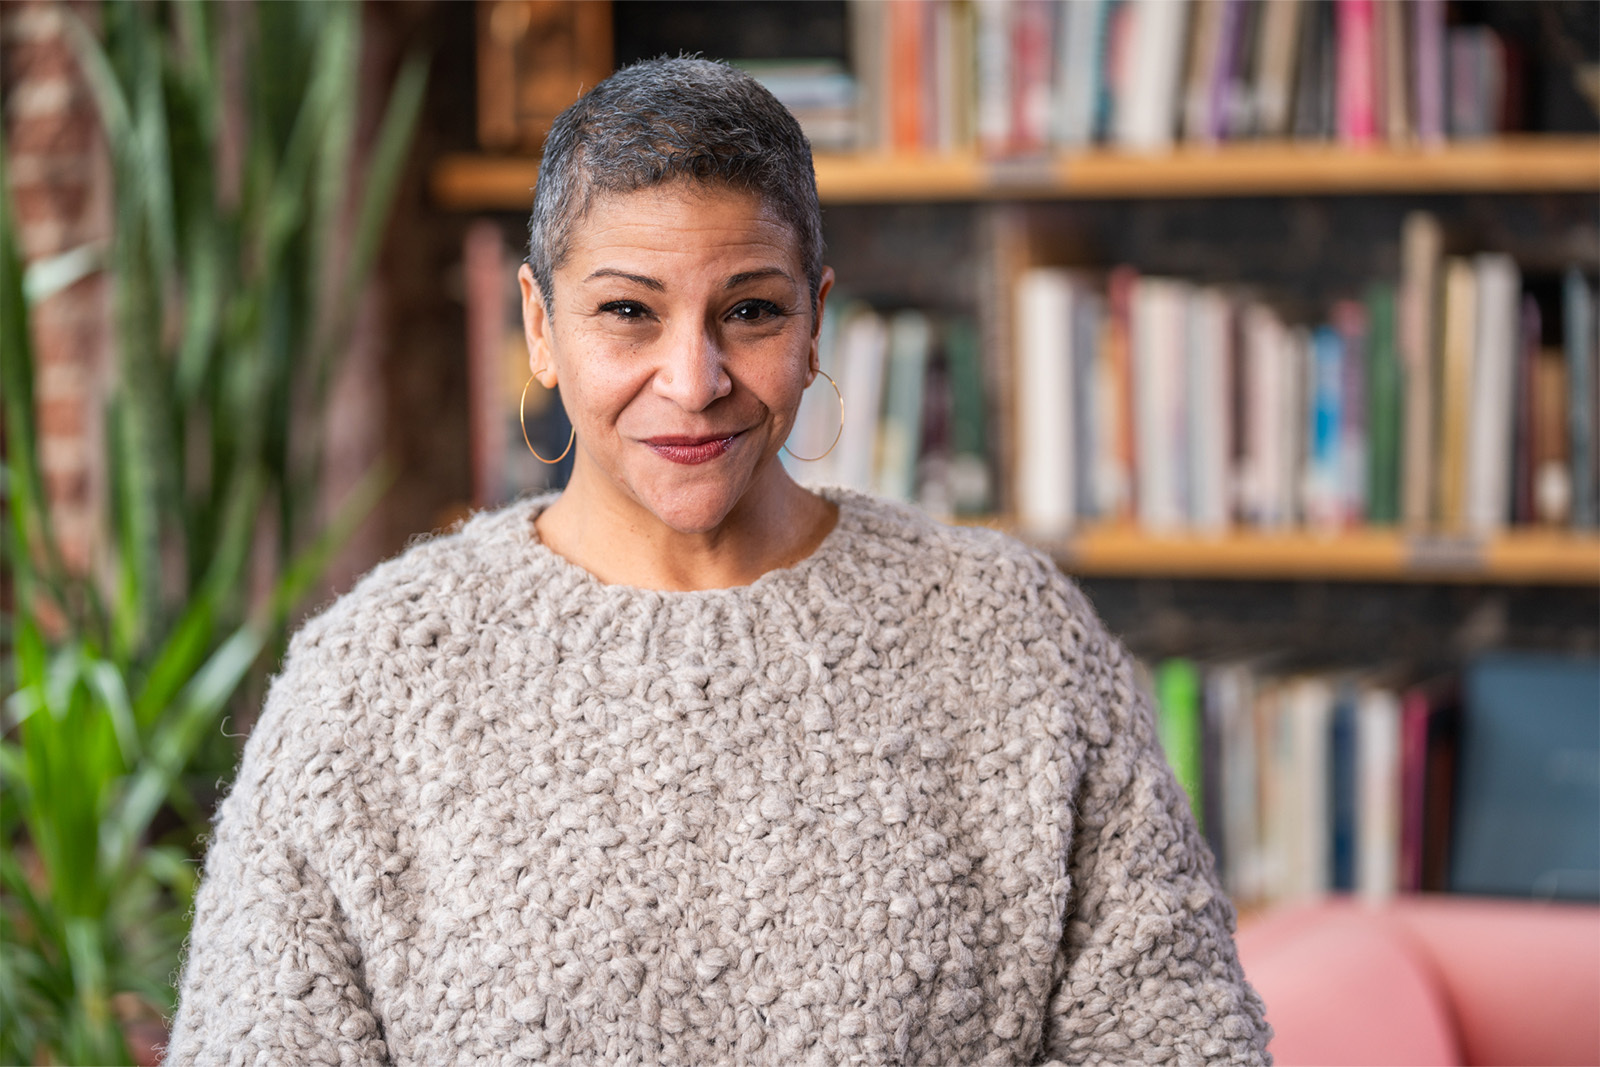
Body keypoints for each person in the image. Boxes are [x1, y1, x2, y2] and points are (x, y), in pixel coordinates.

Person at [164, 57, 1271, 1065]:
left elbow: (1179, 1040)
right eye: (627, 313)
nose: (691, 380)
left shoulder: (1013, 634)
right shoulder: (374, 675)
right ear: (541, 328)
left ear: (814, 324)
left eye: (747, 310)